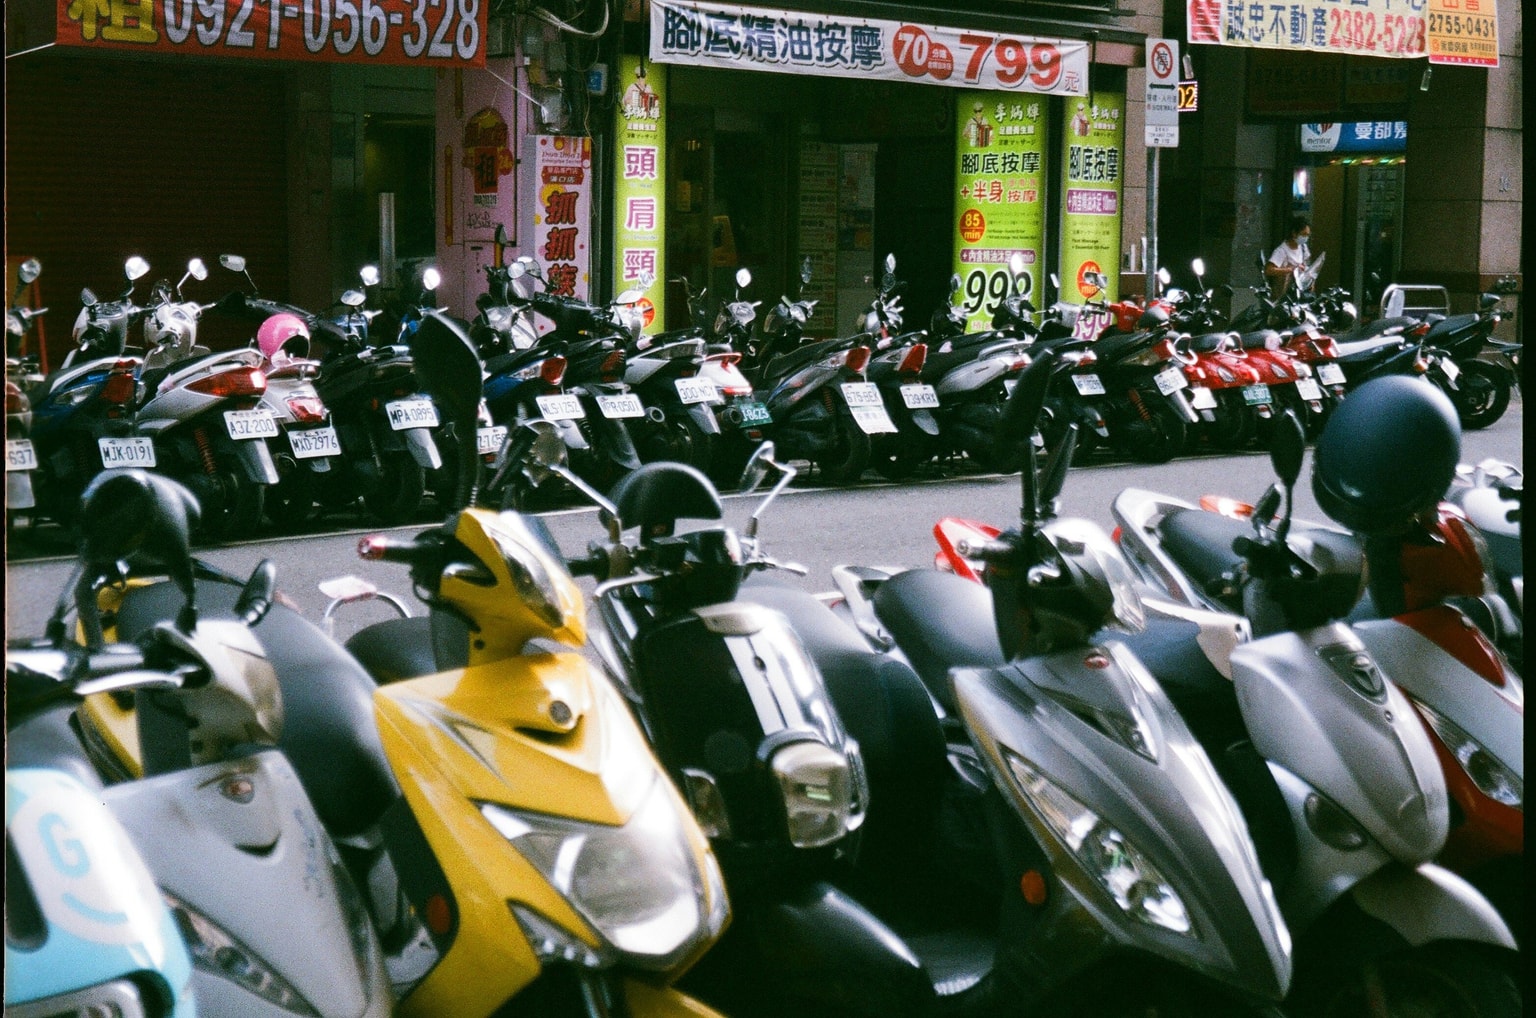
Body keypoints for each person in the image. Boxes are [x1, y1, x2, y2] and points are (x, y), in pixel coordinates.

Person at [1265, 215, 1312, 299]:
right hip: (1284, 294)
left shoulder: (1303, 248)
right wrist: (1290, 270)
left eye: (1308, 235)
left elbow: (1307, 266)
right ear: (1294, 233)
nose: (1305, 238)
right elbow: (1269, 270)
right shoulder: (1282, 250)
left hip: (1299, 292)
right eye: (1303, 234)